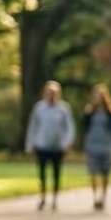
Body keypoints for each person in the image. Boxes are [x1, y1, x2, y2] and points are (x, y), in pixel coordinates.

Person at [25, 81, 74, 210]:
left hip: (57, 146)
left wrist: (67, 142)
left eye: (54, 93)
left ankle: (55, 198)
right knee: (42, 173)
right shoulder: (39, 108)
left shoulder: (63, 109)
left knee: (56, 173)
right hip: (42, 144)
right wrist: (30, 144)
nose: (51, 95)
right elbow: (33, 126)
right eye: (49, 93)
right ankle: (43, 197)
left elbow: (69, 127)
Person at [80, 86, 111, 210]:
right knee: (93, 171)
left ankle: (103, 197)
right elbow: (84, 126)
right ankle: (94, 197)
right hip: (92, 143)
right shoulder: (89, 112)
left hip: (106, 144)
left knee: (105, 172)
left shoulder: (110, 112)